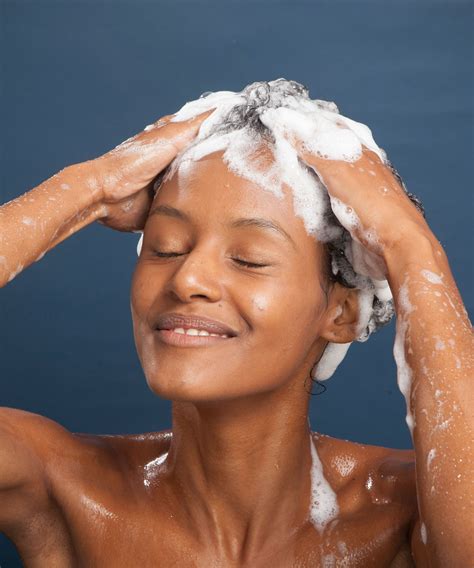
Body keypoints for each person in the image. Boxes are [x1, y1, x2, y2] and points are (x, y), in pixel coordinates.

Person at [0, 80, 471, 568]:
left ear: (341, 313)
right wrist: (93, 186)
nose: (188, 278)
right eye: (166, 247)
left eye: (248, 259)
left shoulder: (409, 514)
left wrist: (411, 247)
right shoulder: (63, 492)